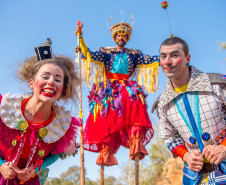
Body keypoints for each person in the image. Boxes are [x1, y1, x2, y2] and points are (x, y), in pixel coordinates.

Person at [75, 21, 160, 166]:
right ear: (114, 37)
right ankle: (106, 150)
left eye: (124, 35)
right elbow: (89, 54)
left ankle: (136, 143)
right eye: (119, 35)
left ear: (127, 38)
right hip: (110, 90)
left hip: (128, 89)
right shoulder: (107, 52)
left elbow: (151, 59)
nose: (121, 37)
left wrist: (165, 56)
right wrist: (80, 37)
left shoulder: (134, 54)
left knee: (136, 108)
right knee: (104, 116)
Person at [0, 40, 80, 185]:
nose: (51, 82)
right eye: (45, 76)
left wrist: (37, 169)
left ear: (62, 89)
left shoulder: (62, 125)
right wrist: (0, 165)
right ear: (31, 82)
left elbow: (59, 153)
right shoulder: (4, 109)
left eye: (57, 79)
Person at [152, 36, 226, 184]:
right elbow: (170, 137)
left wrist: (224, 147)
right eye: (163, 56)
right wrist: (186, 156)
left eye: (174, 55)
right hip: (194, 178)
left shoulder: (217, 85)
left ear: (187, 58)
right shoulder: (163, 104)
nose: (167, 62)